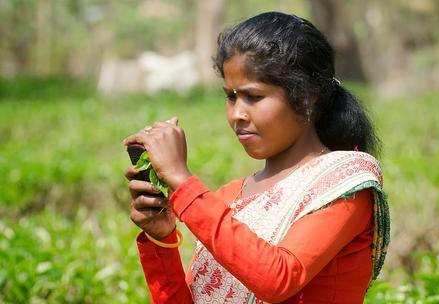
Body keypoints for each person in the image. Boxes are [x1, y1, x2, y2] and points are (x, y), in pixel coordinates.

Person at [123, 11, 390, 304]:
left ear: (308, 95)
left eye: (254, 97)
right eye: (231, 96)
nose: (237, 114)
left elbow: (277, 278)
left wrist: (182, 182)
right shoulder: (229, 198)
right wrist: (160, 240)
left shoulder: (344, 182)